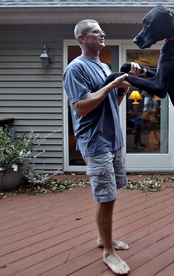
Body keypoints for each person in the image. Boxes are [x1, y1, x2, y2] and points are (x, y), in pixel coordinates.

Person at [62, 19, 145, 275]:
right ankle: (109, 252)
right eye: (96, 32)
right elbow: (82, 107)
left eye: (102, 31)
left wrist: (121, 90)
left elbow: (110, 104)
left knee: (108, 196)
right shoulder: (76, 69)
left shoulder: (102, 66)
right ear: (82, 38)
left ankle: (103, 239)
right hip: (96, 142)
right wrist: (112, 84)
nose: (102, 34)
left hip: (113, 139)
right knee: (106, 196)